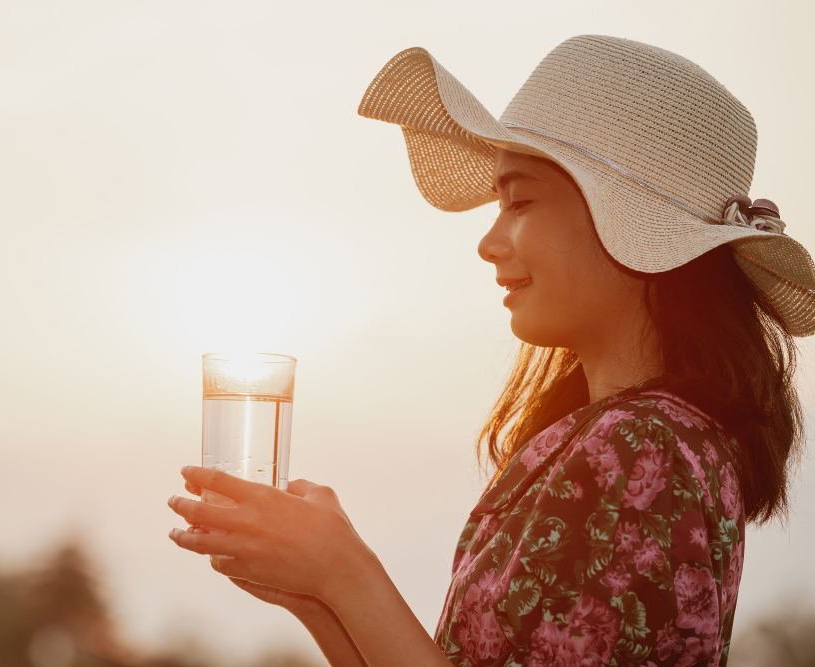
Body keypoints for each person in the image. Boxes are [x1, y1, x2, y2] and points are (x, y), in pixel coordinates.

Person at [166, 35, 813, 667]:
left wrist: (347, 573)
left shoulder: (639, 446)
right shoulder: (625, 437)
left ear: (636, 227)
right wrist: (315, 594)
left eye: (520, 201)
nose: (489, 241)